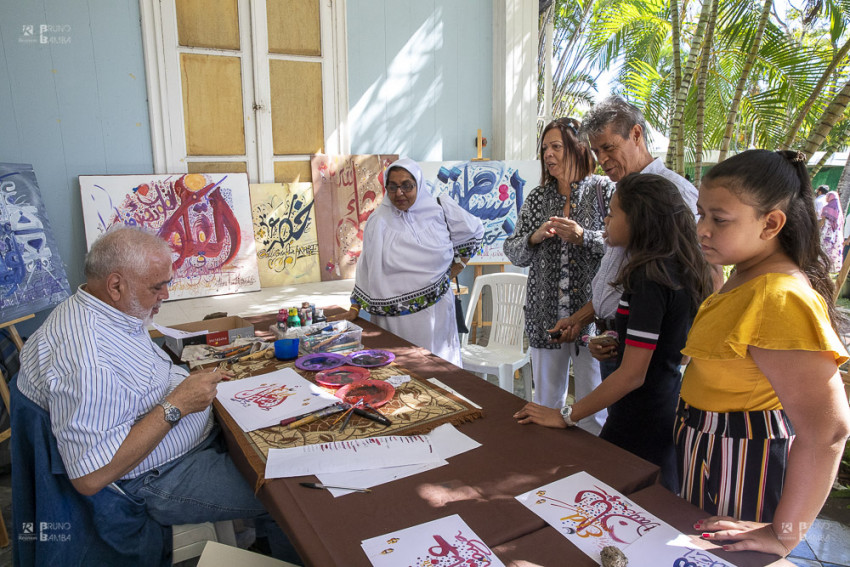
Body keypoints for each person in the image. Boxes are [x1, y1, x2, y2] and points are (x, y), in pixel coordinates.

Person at [15, 226, 300, 562]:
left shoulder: (104, 308)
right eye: (157, 286)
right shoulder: (87, 360)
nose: (166, 294)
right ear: (116, 285)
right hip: (156, 477)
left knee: (286, 431)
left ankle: (261, 544)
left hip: (182, 445)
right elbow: (91, 477)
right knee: (290, 494)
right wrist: (176, 405)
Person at [678, 149, 850, 556]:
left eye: (719, 219)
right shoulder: (745, 277)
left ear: (771, 223)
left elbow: (827, 430)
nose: (701, 230)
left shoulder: (779, 296)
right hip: (711, 456)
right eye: (700, 214)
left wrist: (782, 533)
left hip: (743, 467)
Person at [513, 173, 713, 492]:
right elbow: (662, 343)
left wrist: (565, 415)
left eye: (612, 214)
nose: (605, 220)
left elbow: (633, 375)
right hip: (652, 406)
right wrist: (619, 342)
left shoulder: (650, 280)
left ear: (640, 220)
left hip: (642, 419)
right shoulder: (668, 268)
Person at [548, 96, 702, 380]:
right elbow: (615, 275)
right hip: (616, 341)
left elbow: (703, 274)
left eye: (608, 147)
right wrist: (581, 320)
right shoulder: (621, 192)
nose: (601, 159)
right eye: (595, 151)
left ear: (636, 134)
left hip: (651, 355)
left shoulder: (674, 193)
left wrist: (686, 353)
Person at [503, 117, 614, 434]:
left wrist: (585, 237)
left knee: (594, 405)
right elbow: (514, 253)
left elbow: (624, 251)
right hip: (545, 318)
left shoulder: (605, 192)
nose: (548, 154)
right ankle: (544, 467)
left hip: (592, 318)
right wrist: (533, 238)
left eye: (556, 146)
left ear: (578, 148)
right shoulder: (538, 198)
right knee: (546, 403)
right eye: (544, 148)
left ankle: (593, 468)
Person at [338, 158, 484, 367]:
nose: (399, 193)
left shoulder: (440, 211)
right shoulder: (378, 221)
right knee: (402, 374)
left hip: (436, 315)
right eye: (393, 186)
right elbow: (366, 267)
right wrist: (354, 307)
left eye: (407, 185)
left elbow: (475, 232)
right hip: (393, 321)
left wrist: (458, 267)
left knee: (439, 370)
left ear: (419, 184)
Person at [819, 190, 844, 272]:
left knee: (822, 248)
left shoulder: (827, 208)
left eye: (827, 196)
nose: (826, 198)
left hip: (825, 232)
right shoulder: (838, 210)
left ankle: (819, 265)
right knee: (829, 251)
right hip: (834, 235)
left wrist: (816, 229)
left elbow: (823, 221)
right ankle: (826, 267)